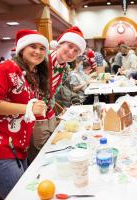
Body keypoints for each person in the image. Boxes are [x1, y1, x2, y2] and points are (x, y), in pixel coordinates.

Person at [0, 29, 49, 199]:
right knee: (20, 196)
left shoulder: (32, 74)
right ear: (21, 49)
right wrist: (27, 108)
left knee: (25, 192)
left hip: (15, 146)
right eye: (33, 46)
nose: (38, 51)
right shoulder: (6, 68)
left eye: (42, 48)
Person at [29, 26, 86, 161]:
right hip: (33, 115)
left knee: (51, 149)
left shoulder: (64, 66)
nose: (71, 52)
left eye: (76, 51)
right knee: (39, 156)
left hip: (49, 113)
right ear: (60, 44)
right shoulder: (42, 60)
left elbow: (52, 91)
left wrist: (56, 108)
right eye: (69, 46)